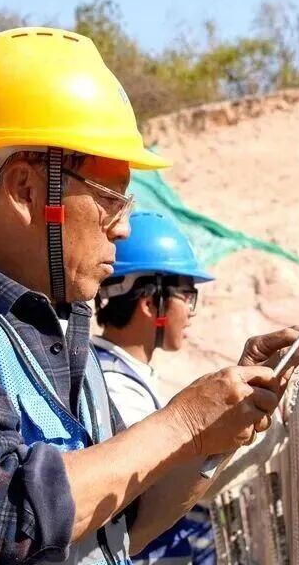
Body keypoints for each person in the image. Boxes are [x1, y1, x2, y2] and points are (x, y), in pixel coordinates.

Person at [0, 26, 299, 565]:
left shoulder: (57, 330)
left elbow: (119, 528)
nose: (123, 229)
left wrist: (210, 437)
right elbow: (10, 521)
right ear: (26, 190)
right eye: (110, 201)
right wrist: (184, 421)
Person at [92, 211, 217, 564]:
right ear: (151, 304)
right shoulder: (115, 388)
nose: (191, 312)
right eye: (187, 296)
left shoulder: (120, 375)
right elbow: (159, 489)